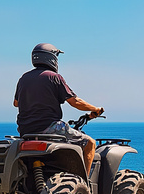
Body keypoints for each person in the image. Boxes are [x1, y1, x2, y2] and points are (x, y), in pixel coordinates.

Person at [13, 43, 104, 175]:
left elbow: (16, 103)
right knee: (90, 143)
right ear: (51, 58)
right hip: (49, 127)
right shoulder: (54, 77)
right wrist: (95, 108)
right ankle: (84, 184)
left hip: (26, 130)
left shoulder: (23, 78)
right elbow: (75, 102)